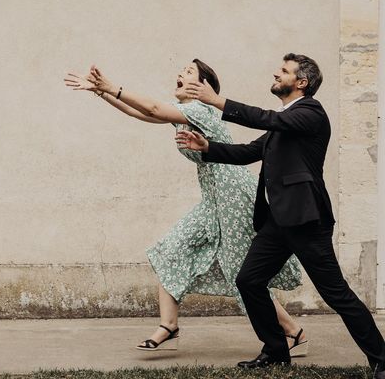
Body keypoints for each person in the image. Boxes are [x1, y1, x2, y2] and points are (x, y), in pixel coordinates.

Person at [64, 60, 306, 355]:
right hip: (213, 199)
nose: (180, 74)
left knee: (239, 272)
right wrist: (101, 92)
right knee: (170, 250)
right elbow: (139, 112)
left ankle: (292, 332)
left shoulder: (199, 110)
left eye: (189, 73)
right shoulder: (183, 115)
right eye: (182, 71)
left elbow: (152, 108)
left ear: (202, 86)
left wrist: (110, 86)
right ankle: (169, 326)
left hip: (233, 197)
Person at [178, 53, 385, 375]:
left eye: (284, 71)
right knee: (249, 281)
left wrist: (216, 101)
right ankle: (276, 351)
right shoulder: (284, 121)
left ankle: (382, 360)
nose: (276, 73)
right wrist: (207, 148)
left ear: (300, 83)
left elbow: (266, 118)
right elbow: (248, 152)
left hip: (306, 220)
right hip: (278, 221)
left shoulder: (309, 113)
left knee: (337, 294)